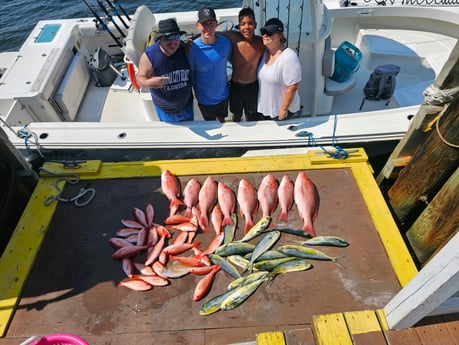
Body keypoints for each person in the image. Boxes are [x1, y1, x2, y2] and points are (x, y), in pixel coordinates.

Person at [136, 18, 193, 122]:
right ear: (160, 38)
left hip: (187, 106)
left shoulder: (183, 48)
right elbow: (139, 78)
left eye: (176, 37)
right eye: (168, 38)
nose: (173, 42)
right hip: (166, 111)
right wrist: (148, 82)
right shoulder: (149, 55)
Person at [219, 7, 265, 122]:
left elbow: (276, 44)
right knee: (236, 114)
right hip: (236, 86)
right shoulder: (233, 37)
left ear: (255, 25)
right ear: (239, 26)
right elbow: (212, 34)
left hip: (253, 87)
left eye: (250, 23)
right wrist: (190, 40)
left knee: (251, 116)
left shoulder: (261, 42)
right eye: (243, 24)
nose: (246, 27)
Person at [188, 7, 232, 122]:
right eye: (204, 24)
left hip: (223, 95)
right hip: (204, 100)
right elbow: (191, 74)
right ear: (197, 25)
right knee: (211, 123)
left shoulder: (226, 43)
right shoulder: (192, 48)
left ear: (216, 24)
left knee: (222, 119)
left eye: (211, 23)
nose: (208, 28)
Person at [257, 18, 302, 121]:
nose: (265, 35)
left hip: (282, 113)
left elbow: (293, 86)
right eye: (263, 32)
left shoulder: (289, 57)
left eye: (269, 32)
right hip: (266, 110)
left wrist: (283, 110)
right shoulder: (265, 53)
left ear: (279, 35)